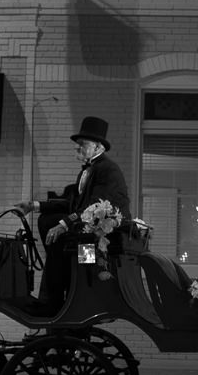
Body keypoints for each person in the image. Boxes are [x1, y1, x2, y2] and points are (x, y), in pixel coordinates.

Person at [15, 116, 130, 315]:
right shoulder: (89, 171)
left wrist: (63, 225)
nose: (77, 150)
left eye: (82, 145)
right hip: (89, 231)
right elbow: (73, 204)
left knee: (58, 236)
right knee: (47, 221)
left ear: (97, 147)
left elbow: (94, 207)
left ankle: (57, 300)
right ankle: (63, 291)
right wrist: (35, 205)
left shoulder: (107, 169)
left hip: (99, 237)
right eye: (77, 146)